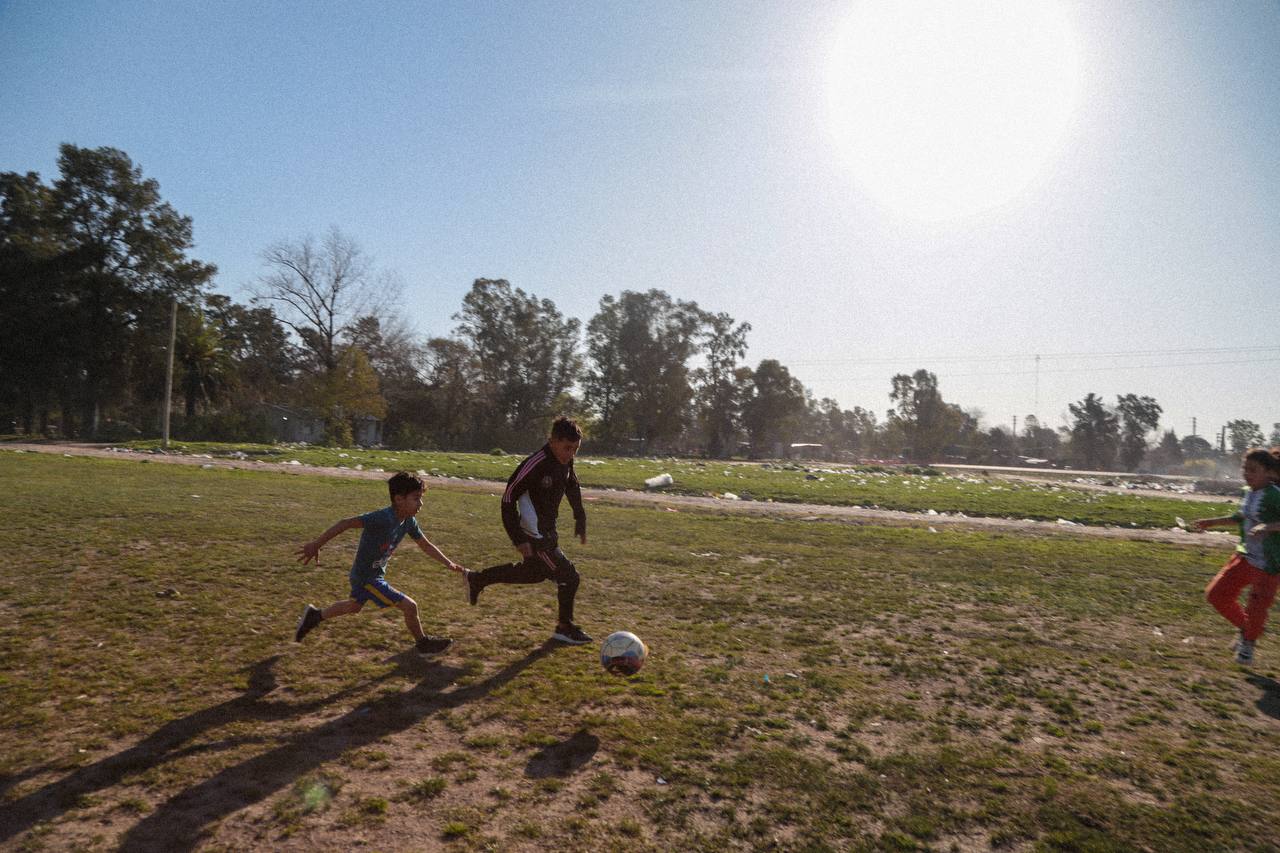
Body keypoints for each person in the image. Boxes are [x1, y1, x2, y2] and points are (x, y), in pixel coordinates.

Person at [294, 471, 465, 654]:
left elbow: (425, 544)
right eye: (416, 498)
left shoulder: (408, 521)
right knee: (410, 606)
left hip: (371, 574)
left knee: (354, 607)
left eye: (421, 498)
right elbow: (346, 523)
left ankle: (314, 616)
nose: (420, 503)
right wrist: (316, 544)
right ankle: (423, 644)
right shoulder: (382, 518)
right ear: (399, 499)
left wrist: (448, 563)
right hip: (368, 578)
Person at [463, 416, 592, 644]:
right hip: (536, 536)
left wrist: (579, 516)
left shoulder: (565, 462)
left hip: (547, 532)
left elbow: (572, 484)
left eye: (575, 450)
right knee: (569, 577)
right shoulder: (535, 464)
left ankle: (478, 579)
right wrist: (517, 538)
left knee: (532, 574)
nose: (571, 454)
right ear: (552, 441)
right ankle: (564, 627)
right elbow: (507, 499)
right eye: (567, 448)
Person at [1195, 449, 1280, 665]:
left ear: (1269, 473)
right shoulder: (1247, 492)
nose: (1246, 474)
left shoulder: (1275, 495)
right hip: (1244, 557)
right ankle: (1245, 629)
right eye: (1245, 469)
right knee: (1216, 595)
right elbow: (1239, 517)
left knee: (1257, 607)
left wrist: (1267, 527)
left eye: (1253, 470)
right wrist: (1211, 522)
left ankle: (1249, 642)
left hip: (1269, 564)